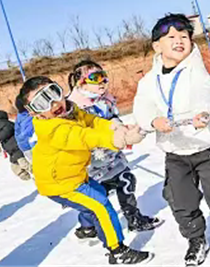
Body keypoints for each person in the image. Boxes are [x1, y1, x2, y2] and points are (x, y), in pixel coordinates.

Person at [133, 14, 210, 266]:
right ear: (157, 46)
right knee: (179, 198)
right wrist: (154, 121)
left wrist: (203, 113)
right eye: (171, 37)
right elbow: (143, 108)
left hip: (207, 145)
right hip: (175, 150)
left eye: (184, 36)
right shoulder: (148, 81)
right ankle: (195, 239)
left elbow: (204, 92)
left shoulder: (195, 70)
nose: (179, 41)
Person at [16, 76, 152, 265]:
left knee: (97, 196)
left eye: (53, 93)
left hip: (74, 175)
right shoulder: (52, 129)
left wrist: (115, 126)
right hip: (59, 184)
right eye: (41, 102)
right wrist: (119, 139)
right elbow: (85, 137)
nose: (53, 103)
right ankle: (117, 251)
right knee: (101, 206)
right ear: (35, 113)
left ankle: (86, 228)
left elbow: (92, 122)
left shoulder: (71, 110)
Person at [67, 60, 161, 236]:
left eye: (104, 76)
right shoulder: (74, 108)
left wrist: (122, 129)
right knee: (96, 196)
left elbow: (113, 118)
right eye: (95, 77)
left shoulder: (105, 100)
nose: (102, 81)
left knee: (126, 181)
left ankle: (134, 218)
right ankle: (87, 226)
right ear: (81, 82)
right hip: (91, 162)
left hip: (112, 155)